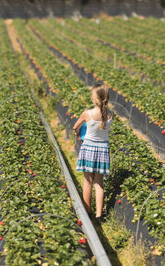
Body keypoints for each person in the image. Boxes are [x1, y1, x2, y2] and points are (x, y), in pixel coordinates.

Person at [73, 83, 113, 223]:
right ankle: (99, 215)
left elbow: (75, 127)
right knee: (99, 184)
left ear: (94, 98)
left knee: (87, 182)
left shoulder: (87, 113)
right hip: (102, 150)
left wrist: (79, 133)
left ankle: (87, 212)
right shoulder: (110, 115)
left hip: (89, 148)